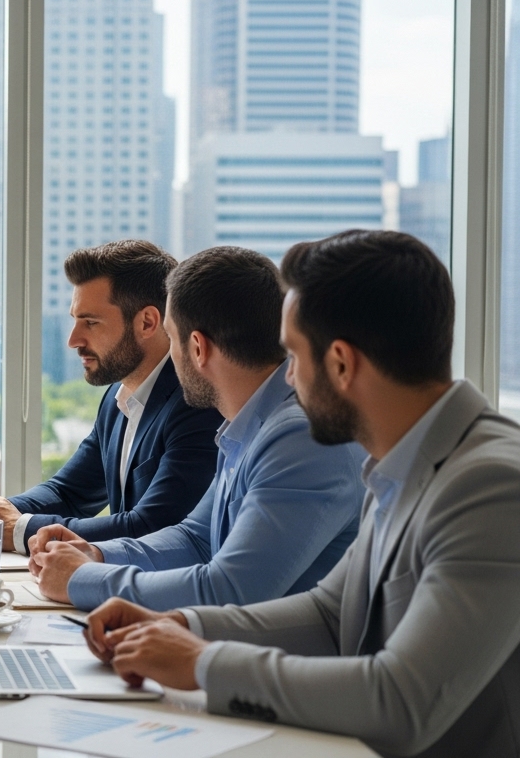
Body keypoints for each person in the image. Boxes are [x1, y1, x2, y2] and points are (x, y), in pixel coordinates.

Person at [84, 230, 520, 757]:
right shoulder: (403, 462)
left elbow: (402, 700)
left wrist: (201, 662)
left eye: (292, 354)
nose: (286, 376)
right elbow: (330, 614)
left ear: (340, 363)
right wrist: (180, 624)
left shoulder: (492, 485)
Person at [29, 246, 363, 610]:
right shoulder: (247, 426)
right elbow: (196, 539)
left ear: (198, 347)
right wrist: (94, 553)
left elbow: (228, 589)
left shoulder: (301, 437)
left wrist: (82, 578)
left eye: (171, 338)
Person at [0, 240, 221, 552]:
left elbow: (154, 525)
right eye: (75, 320)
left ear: (147, 322)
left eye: (91, 322)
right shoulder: (119, 397)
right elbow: (70, 492)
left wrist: (20, 528)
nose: (73, 340)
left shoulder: (197, 403)